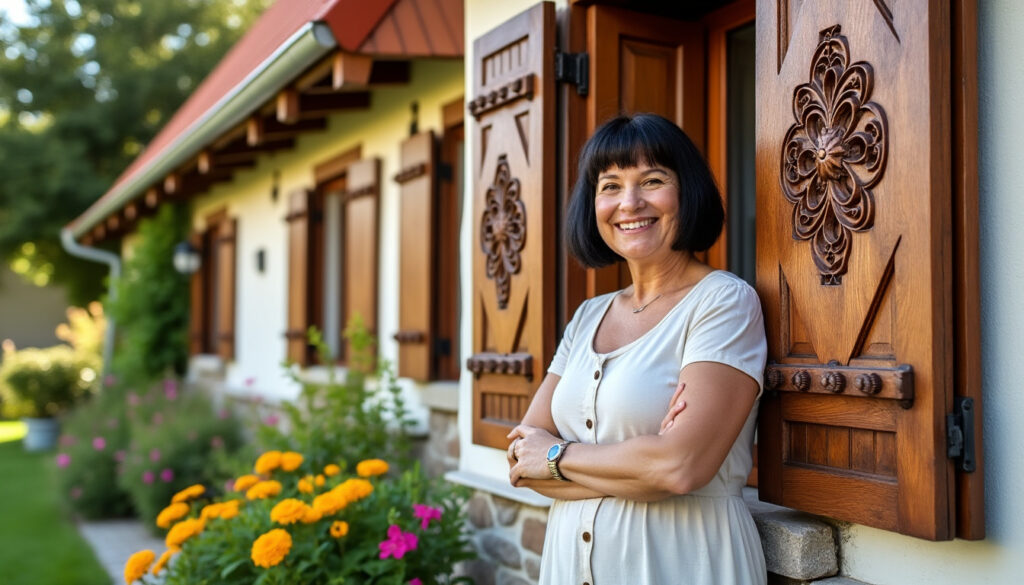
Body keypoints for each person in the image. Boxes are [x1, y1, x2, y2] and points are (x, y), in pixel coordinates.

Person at [506, 113, 767, 585]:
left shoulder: (723, 302)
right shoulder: (589, 315)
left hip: (683, 563)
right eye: (610, 186)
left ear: (686, 192)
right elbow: (522, 465)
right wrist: (641, 468)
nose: (630, 203)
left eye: (652, 180)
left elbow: (680, 466)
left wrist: (556, 457)